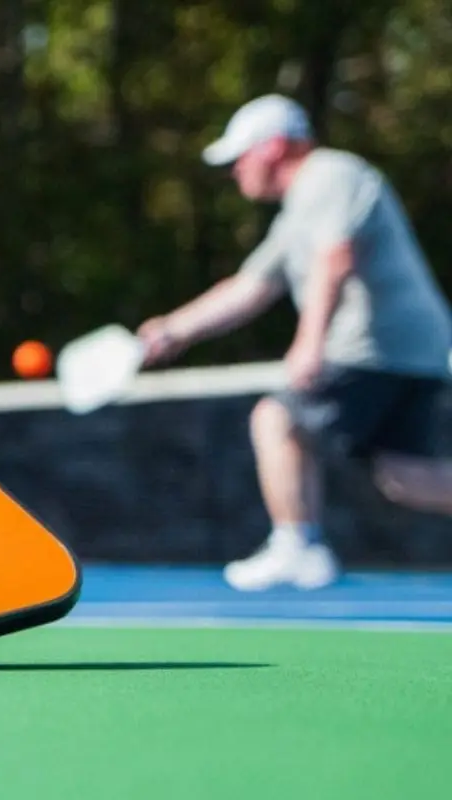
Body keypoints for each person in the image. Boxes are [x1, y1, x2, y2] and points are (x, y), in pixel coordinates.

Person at [137, 93, 452, 592]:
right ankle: (299, 545)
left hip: (373, 349)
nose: (235, 171)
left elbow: (336, 257)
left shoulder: (329, 175)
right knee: (405, 476)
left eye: (239, 157)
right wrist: (173, 328)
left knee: (276, 418)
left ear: (274, 147)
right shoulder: (296, 213)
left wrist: (310, 342)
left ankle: (297, 545)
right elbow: (249, 288)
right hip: (417, 351)